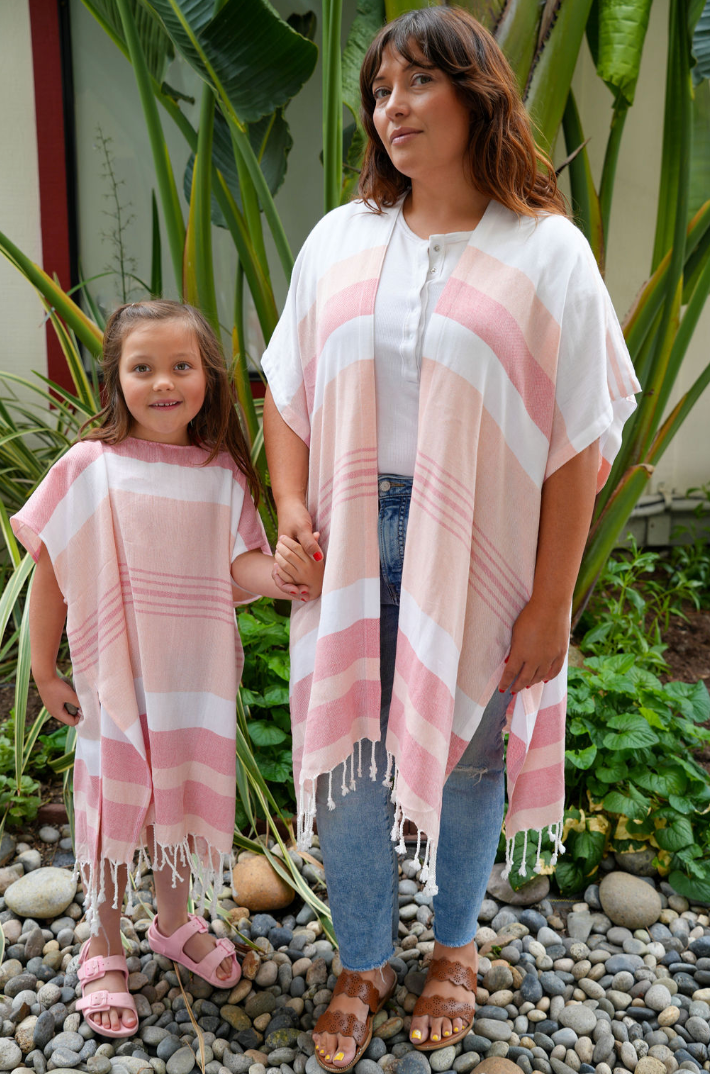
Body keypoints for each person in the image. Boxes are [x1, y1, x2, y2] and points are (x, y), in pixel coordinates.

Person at [264, 7, 640, 1072]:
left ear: (477, 96)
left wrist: (550, 599)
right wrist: (290, 507)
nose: (390, 109)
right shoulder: (341, 236)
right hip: (346, 534)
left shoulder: (545, 253)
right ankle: (363, 957)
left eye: (414, 84)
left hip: (479, 542)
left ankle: (456, 949)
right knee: (346, 757)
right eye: (378, 92)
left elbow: (577, 444)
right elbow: (284, 388)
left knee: (473, 759)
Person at [11, 300, 323, 1038]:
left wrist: (282, 572)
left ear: (207, 378)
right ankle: (105, 939)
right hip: (116, 680)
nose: (163, 383)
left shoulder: (219, 475)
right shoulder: (90, 467)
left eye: (181, 367)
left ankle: (174, 924)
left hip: (193, 681)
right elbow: (51, 569)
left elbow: (238, 565)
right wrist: (45, 669)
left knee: (181, 801)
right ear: (115, 380)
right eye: (142, 368)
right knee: (119, 808)